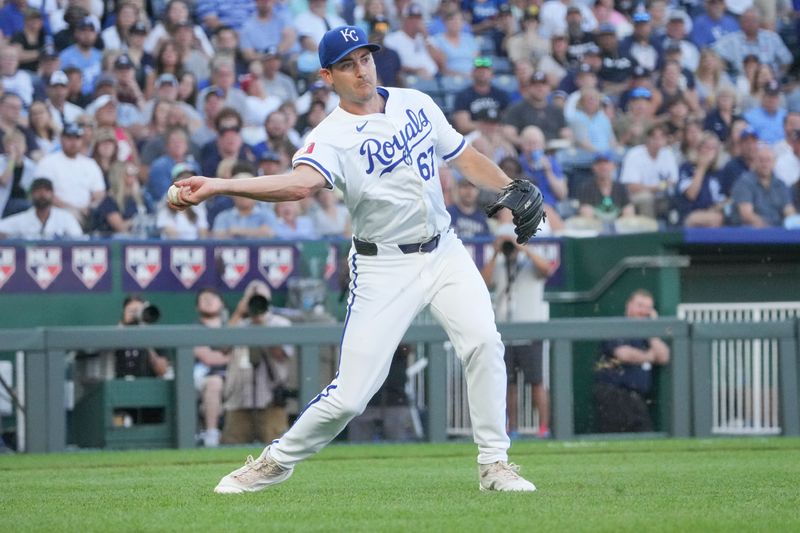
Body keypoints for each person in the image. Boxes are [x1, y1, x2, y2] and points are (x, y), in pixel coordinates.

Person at [170, 24, 537, 493]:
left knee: (484, 341)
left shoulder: (415, 102)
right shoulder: (332, 135)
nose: (360, 70)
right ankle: (274, 461)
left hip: (444, 249)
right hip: (383, 265)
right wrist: (220, 185)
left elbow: (463, 156)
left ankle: (495, 464)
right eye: (347, 64)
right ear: (328, 76)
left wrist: (507, 187)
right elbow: (299, 184)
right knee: (349, 397)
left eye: (364, 58)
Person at [481, 214, 553, 440]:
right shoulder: (500, 262)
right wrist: (495, 253)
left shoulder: (532, 259)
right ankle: (510, 427)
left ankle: (543, 428)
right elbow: (483, 283)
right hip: (505, 330)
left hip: (530, 329)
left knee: (536, 381)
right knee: (507, 383)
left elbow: (547, 270)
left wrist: (523, 249)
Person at [221, 280, 295, 445]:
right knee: (231, 448)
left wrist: (262, 326)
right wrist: (239, 313)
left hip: (271, 397)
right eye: (252, 300)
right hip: (239, 397)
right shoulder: (239, 325)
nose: (256, 304)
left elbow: (280, 354)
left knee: (276, 451)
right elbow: (222, 346)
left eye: (259, 300)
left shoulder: (280, 324)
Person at [593, 289, 670, 433]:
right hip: (613, 394)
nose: (643, 311)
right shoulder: (616, 325)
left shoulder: (649, 333)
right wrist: (649, 356)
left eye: (648, 308)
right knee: (614, 440)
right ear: (629, 305)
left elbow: (664, 356)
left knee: (645, 438)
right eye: (640, 306)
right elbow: (623, 354)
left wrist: (652, 328)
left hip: (637, 398)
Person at [193, 287, 232, 448]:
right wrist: (231, 356)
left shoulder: (230, 326)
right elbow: (209, 358)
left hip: (232, 375)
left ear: (222, 304)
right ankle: (211, 434)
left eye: (213, 297)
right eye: (204, 298)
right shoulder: (195, 329)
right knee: (215, 382)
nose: (209, 300)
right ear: (197, 307)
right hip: (202, 377)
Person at [730, 144, 797, 227]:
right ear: (754, 162)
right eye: (761, 160)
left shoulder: (780, 184)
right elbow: (747, 215)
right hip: (751, 232)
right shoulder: (744, 182)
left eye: (768, 160)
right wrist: (769, 229)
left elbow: (789, 210)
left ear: (774, 163)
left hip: (778, 231)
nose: (765, 164)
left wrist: (793, 222)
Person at [0, 177, 83, 239]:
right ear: (31, 195)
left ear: (53, 195)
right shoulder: (22, 219)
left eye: (46, 191)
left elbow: (79, 239)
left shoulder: (65, 217)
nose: (42, 194)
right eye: (38, 191)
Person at [115, 295, 171, 379]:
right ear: (124, 312)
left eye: (138, 311)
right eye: (131, 311)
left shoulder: (155, 338)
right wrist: (120, 330)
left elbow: (162, 371)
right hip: (119, 386)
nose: (135, 315)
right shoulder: (115, 335)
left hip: (147, 386)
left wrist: (145, 337)